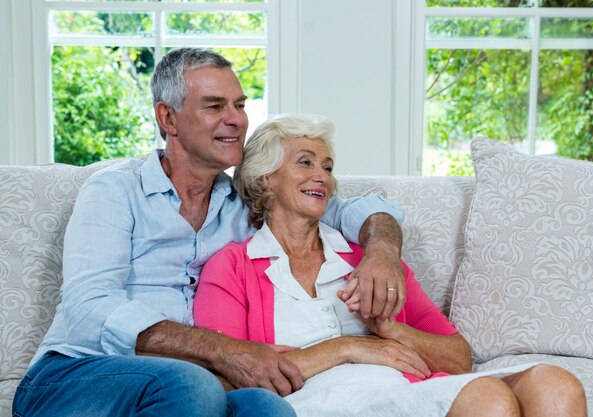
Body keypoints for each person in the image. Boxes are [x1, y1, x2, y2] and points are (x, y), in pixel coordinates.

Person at [12, 48, 408, 417]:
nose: (236, 119)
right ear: (168, 119)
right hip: (72, 375)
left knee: (265, 406)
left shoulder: (244, 201)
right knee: (193, 383)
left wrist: (382, 253)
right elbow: (89, 308)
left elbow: (360, 210)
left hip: (189, 384)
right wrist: (224, 351)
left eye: (239, 105)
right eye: (215, 106)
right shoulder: (115, 190)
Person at [194, 113, 588, 417]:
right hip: (317, 403)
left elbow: (457, 357)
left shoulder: (365, 260)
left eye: (328, 167)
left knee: (554, 384)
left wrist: (389, 329)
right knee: (488, 398)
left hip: (402, 391)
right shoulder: (231, 268)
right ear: (264, 178)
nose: (322, 177)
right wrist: (350, 347)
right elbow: (231, 380)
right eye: (306, 162)